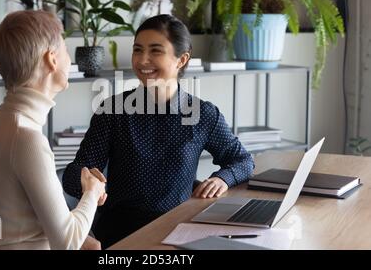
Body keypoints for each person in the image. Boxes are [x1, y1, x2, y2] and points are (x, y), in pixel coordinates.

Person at [62, 14, 255, 249]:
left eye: (155, 51)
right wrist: (87, 182)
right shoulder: (112, 111)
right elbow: (74, 172)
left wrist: (223, 178)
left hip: (180, 228)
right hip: (121, 231)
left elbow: (243, 161)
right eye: (137, 50)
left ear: (181, 60)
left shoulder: (203, 114)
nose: (143, 60)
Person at [0, 10, 107, 250]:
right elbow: (67, 243)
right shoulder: (26, 137)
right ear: (52, 59)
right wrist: (92, 192)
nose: (70, 59)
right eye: (65, 49)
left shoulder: (3, 119)